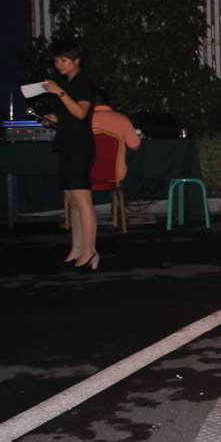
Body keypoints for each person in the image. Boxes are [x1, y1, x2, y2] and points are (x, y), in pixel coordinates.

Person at [41, 39, 99, 270]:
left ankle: (90, 250)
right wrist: (57, 118)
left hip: (78, 148)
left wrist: (60, 92)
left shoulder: (82, 83)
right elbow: (72, 116)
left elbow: (82, 113)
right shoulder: (73, 83)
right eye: (56, 61)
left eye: (63, 60)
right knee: (73, 201)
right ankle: (77, 247)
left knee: (83, 201)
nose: (59, 65)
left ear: (76, 61)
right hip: (68, 145)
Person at [91, 87, 141, 181]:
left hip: (84, 173)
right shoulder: (122, 119)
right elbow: (135, 146)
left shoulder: (81, 120)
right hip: (115, 174)